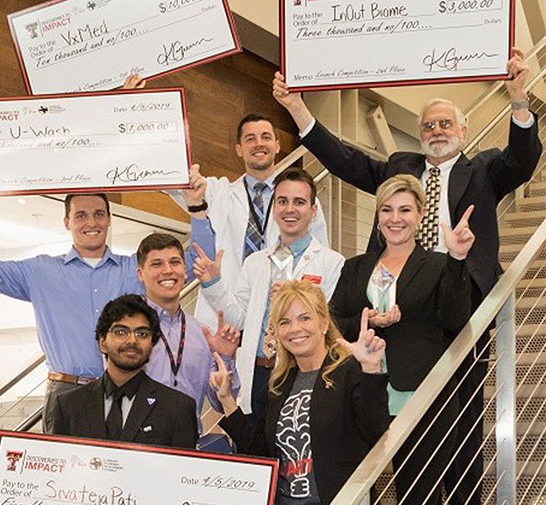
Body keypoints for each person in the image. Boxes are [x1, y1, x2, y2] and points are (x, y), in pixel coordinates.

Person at [273, 48, 540, 504]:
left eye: (445, 124)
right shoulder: (401, 167)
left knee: (455, 425)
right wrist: (299, 110)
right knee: (377, 418)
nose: (436, 131)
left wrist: (518, 102)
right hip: (388, 307)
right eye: (429, 126)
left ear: (464, 130)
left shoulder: (483, 169)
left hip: (458, 308)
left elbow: (522, 160)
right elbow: (346, 161)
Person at [0, 167, 213, 432]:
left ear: (109, 218)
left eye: (98, 214)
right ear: (67, 222)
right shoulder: (40, 271)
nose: (91, 223)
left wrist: (196, 207)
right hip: (65, 392)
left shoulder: (135, 270)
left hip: (125, 388)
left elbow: (198, 261)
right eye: (81, 215)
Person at [329, 175, 474, 505]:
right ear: (378, 216)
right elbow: (331, 323)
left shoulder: (438, 265)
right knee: (364, 493)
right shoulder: (355, 267)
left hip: (421, 396)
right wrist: (366, 319)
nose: (396, 219)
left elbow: (454, 319)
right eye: (387, 210)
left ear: (421, 214)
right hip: (362, 395)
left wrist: (457, 259)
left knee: (418, 495)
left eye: (405, 210)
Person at [210, 280, 390, 504]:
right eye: (285, 322)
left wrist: (371, 369)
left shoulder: (348, 370)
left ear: (324, 322)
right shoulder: (281, 383)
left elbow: (375, 431)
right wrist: (227, 400)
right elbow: (261, 451)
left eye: (304, 318)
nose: (295, 329)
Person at [193, 168, 344, 420]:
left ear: (313, 210)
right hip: (260, 372)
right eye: (282, 201)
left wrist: (296, 300)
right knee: (256, 451)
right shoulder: (255, 262)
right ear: (274, 208)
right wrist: (213, 283)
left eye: (299, 202)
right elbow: (239, 319)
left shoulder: (332, 263)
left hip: (302, 372)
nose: (290, 209)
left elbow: (330, 324)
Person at [171, 115, 329, 330]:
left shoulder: (303, 202)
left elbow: (319, 256)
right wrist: (186, 177)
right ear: (239, 149)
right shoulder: (218, 192)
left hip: (280, 316)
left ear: (277, 145)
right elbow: (170, 183)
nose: (259, 144)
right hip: (222, 315)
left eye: (266, 137)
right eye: (250, 139)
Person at [49, 294, 199, 449]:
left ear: (152, 345)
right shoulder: (68, 405)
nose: (132, 341)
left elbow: (181, 471)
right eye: (121, 332)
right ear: (102, 343)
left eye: (142, 334)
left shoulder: (178, 407)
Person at [136, 232, 241, 434]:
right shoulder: (127, 331)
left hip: (188, 447)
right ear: (140, 273)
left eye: (175, 262)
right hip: (136, 445)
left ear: (185, 270)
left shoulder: (200, 334)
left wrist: (225, 358)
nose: (167, 271)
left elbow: (221, 404)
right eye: (156, 264)